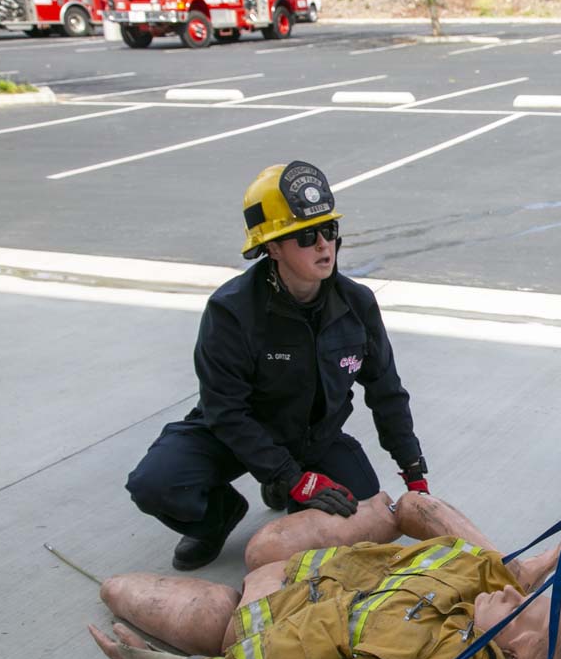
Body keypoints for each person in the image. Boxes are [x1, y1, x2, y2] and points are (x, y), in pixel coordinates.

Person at [89, 489, 561, 659]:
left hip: (251, 615)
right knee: (411, 504)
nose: (509, 594)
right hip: (307, 574)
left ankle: (212, 613)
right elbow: (436, 530)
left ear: (509, 656)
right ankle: (518, 563)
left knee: (118, 589)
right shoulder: (480, 616)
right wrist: (510, 568)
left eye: (518, 604)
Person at [125, 161, 429, 571]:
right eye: (305, 236)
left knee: (355, 510)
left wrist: (413, 470)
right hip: (234, 435)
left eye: (330, 231)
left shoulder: (356, 304)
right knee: (156, 483)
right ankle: (218, 517)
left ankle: (282, 486)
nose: (324, 245)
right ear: (272, 248)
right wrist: (292, 477)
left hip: (312, 438)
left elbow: (386, 391)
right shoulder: (231, 311)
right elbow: (225, 411)